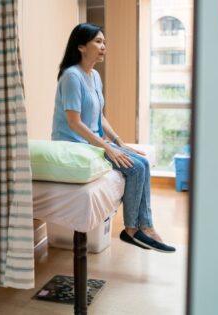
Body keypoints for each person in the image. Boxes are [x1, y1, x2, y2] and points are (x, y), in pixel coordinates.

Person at [51, 23, 175, 253]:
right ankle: (131, 230)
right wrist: (108, 149)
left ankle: (146, 226)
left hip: (91, 142)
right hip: (73, 145)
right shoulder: (71, 77)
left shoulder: (95, 76)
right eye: (98, 42)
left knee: (143, 162)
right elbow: (74, 122)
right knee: (135, 168)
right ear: (80, 46)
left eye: (104, 42)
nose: (103, 47)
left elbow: (99, 115)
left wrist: (118, 142)